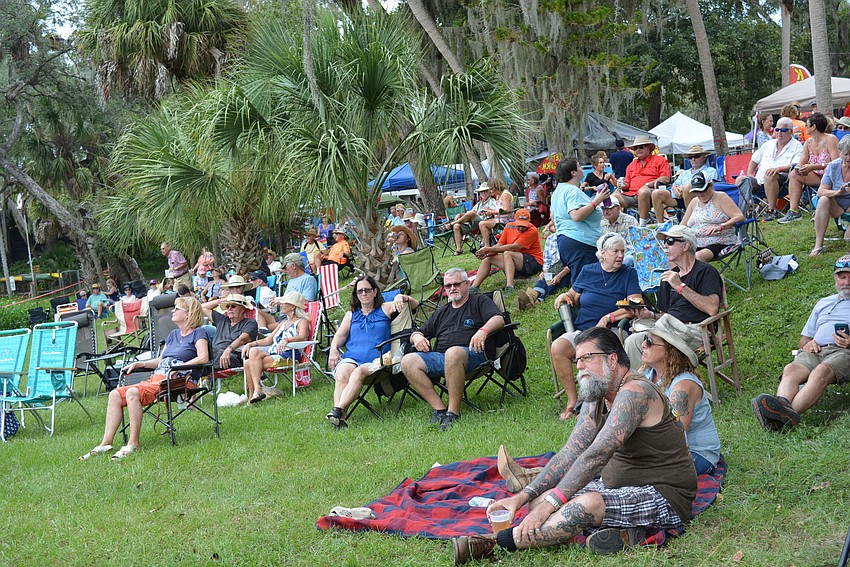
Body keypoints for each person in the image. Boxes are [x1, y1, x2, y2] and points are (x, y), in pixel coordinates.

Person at [451, 327, 697, 563]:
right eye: (577, 360)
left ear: (612, 359)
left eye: (587, 358)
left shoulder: (635, 392)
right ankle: (629, 534)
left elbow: (596, 455)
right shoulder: (597, 391)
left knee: (582, 507)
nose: (579, 366)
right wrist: (522, 498)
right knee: (538, 501)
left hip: (664, 495)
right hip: (618, 486)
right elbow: (571, 451)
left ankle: (494, 543)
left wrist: (552, 505)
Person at [79, 297, 209, 461]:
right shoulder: (173, 335)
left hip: (180, 381)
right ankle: (106, 442)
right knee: (115, 394)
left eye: (177, 309)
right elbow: (160, 361)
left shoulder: (199, 333)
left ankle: (133, 443)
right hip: (159, 379)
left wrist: (180, 368)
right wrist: (140, 364)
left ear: (189, 314)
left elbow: (203, 357)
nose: (173, 311)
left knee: (133, 392)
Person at [549, 233, 642, 420]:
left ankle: (592, 404)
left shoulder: (628, 273)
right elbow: (573, 295)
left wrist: (609, 317)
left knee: (594, 353)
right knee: (558, 347)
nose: (621, 256)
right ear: (602, 253)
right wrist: (564, 297)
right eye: (615, 251)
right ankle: (572, 402)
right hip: (583, 331)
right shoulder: (588, 271)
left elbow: (635, 306)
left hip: (611, 332)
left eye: (623, 251)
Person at [752, 254, 850, 430]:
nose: (846, 281)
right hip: (816, 350)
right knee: (791, 369)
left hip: (844, 353)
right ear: (835, 278)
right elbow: (804, 337)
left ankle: (781, 420)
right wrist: (807, 344)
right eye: (842, 277)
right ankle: (782, 407)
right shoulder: (823, 303)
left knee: (820, 372)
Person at [400, 268, 504, 431]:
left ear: (467, 284)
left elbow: (498, 318)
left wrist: (483, 331)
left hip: (474, 354)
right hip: (442, 357)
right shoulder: (442, 311)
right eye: (448, 286)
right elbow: (419, 331)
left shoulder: (479, 301)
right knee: (407, 361)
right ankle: (439, 409)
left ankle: (453, 413)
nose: (452, 288)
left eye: (456, 284)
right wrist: (417, 337)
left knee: (453, 352)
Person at [623, 225, 722, 370]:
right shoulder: (668, 277)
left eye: (670, 241)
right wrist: (650, 314)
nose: (664, 246)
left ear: (685, 245)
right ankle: (641, 387)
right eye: (664, 242)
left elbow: (713, 309)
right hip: (667, 327)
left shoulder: (705, 271)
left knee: (652, 343)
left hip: (695, 330)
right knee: (633, 341)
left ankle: (661, 385)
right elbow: (665, 315)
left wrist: (680, 287)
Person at [326, 277, 419, 428]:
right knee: (342, 372)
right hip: (353, 357)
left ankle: (338, 411)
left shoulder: (386, 308)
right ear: (356, 295)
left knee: (358, 372)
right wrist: (334, 349)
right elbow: (340, 335)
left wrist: (401, 296)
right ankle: (338, 417)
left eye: (367, 290)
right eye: (360, 291)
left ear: (375, 292)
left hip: (380, 360)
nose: (364, 293)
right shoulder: (351, 314)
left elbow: (415, 305)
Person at [637, 314, 721, 474]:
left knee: (635, 471)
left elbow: (674, 436)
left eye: (649, 341)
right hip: (662, 448)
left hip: (695, 454)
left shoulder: (683, 386)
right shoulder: (648, 373)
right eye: (645, 338)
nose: (643, 344)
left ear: (669, 350)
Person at [241, 291, 310, 403]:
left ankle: (253, 396)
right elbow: (268, 340)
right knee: (252, 354)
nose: (281, 304)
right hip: (274, 352)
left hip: (289, 354)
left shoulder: (302, 321)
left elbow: (302, 336)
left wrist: (287, 340)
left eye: (283, 303)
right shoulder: (283, 322)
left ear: (292, 306)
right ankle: (257, 391)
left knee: (249, 363)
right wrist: (250, 344)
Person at [551, 157, 604, 289]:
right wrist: (596, 202)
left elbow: (553, 217)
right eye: (579, 166)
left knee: (579, 279)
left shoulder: (558, 191)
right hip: (580, 242)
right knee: (584, 284)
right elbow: (575, 215)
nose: (582, 169)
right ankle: (577, 308)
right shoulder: (572, 190)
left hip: (565, 240)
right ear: (573, 173)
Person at [736, 116, 803, 222]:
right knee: (741, 179)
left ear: (790, 131)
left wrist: (779, 169)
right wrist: (749, 173)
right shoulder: (768, 144)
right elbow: (754, 159)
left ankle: (771, 210)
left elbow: (797, 164)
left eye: (783, 130)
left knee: (770, 174)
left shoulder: (797, 146)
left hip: (783, 181)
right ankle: (743, 212)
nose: (779, 132)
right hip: (760, 181)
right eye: (777, 129)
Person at [780, 112, 840, 223]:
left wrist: (813, 166)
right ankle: (794, 211)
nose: (805, 127)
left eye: (807, 125)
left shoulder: (831, 139)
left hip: (832, 176)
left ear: (814, 127)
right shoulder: (808, 142)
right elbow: (802, 162)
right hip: (817, 176)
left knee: (828, 169)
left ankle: (821, 210)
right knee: (794, 174)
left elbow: (836, 163)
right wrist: (799, 168)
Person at [469, 209, 542, 296]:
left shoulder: (532, 230)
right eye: (519, 225)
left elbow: (514, 247)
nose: (521, 228)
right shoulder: (508, 226)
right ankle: (474, 288)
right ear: (515, 221)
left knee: (508, 253)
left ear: (529, 222)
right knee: (489, 258)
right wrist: (487, 254)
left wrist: (488, 249)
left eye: (524, 226)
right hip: (516, 263)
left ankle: (510, 286)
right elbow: (499, 245)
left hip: (533, 262)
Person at [680, 171, 744, 261]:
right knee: (674, 254)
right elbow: (683, 224)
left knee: (697, 257)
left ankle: (699, 274)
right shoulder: (694, 201)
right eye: (696, 191)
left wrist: (721, 226)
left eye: (703, 190)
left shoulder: (721, 197)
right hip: (694, 241)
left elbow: (740, 216)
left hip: (718, 241)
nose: (700, 194)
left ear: (711, 185)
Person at [651, 145, 717, 222]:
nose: (693, 159)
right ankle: (661, 225)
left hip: (699, 197)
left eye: (696, 156)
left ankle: (691, 221)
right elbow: (675, 184)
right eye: (690, 157)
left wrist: (685, 188)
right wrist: (675, 188)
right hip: (679, 197)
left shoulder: (710, 171)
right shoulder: (685, 173)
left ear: (703, 157)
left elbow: (710, 187)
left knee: (687, 187)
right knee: (656, 193)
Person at [810, 135, 850, 256]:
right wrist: (838, 192)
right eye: (845, 154)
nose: (848, 158)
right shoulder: (833, 166)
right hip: (836, 204)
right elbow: (821, 190)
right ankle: (818, 245)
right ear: (840, 153)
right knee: (823, 200)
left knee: (848, 239)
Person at [620, 135, 671, 225]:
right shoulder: (631, 165)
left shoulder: (660, 160)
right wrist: (622, 185)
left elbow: (665, 178)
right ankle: (615, 226)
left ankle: (642, 226)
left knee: (643, 191)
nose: (638, 150)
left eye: (641, 147)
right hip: (631, 194)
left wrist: (648, 184)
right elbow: (627, 183)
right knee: (611, 197)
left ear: (648, 148)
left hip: (651, 193)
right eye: (635, 148)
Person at [202, 293, 259, 370]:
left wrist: (228, 350)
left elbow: (242, 339)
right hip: (213, 353)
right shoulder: (222, 320)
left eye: (233, 306)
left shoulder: (250, 323)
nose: (230, 309)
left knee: (203, 357)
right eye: (228, 306)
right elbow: (202, 307)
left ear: (242, 309)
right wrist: (224, 300)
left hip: (233, 356)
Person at [450, 182, 498, 255]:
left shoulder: (492, 201)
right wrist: (460, 214)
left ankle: (452, 223)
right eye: (481, 191)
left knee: (471, 214)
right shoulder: (479, 203)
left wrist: (488, 211)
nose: (483, 193)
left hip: (484, 222)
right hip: (473, 224)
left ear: (489, 192)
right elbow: (469, 213)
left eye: (485, 191)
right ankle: (459, 249)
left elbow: (494, 212)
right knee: (457, 226)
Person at [478, 178, 515, 246]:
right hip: (498, 218)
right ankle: (489, 243)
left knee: (482, 224)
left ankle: (487, 245)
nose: (490, 191)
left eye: (491, 189)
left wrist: (491, 212)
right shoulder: (498, 195)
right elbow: (499, 208)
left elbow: (506, 210)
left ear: (495, 187)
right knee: (484, 221)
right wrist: (488, 210)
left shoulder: (505, 195)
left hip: (505, 220)